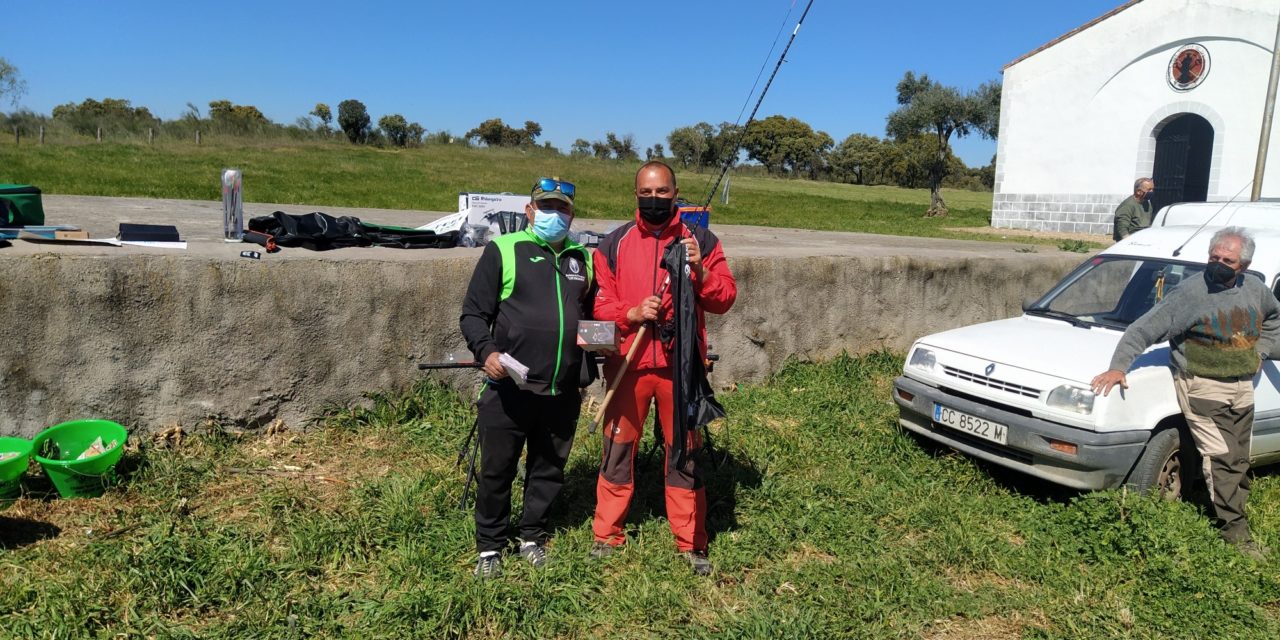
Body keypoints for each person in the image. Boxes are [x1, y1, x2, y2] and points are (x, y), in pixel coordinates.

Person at [1091, 226, 1280, 559]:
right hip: (1201, 384)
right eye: (1214, 257)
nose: (1218, 264)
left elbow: (1274, 319)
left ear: (1244, 266)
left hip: (1241, 385)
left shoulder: (1257, 289)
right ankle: (1235, 532)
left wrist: (1261, 351)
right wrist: (1119, 366)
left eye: (1228, 260)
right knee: (1220, 458)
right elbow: (1143, 329)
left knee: (1238, 457)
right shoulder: (1189, 293)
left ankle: (1235, 503)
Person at [590, 161, 737, 575]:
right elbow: (600, 305)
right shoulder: (612, 244)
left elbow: (724, 298)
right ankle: (607, 535)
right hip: (629, 364)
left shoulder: (701, 240)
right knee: (617, 451)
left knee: (684, 454)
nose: (654, 199)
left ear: (676, 192)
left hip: (680, 366)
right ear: (635, 194)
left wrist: (702, 271)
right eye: (646, 193)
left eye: (662, 192)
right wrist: (632, 312)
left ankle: (690, 543)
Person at [459, 177, 595, 578]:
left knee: (548, 467)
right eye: (547, 207)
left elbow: (587, 316)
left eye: (564, 209)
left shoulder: (580, 258)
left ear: (572, 215)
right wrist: (487, 352)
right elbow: (472, 314)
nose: (556, 215)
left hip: (562, 388)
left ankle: (532, 535)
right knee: (497, 468)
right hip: (509, 387)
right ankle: (490, 545)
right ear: (530, 211)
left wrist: (599, 339)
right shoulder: (503, 249)